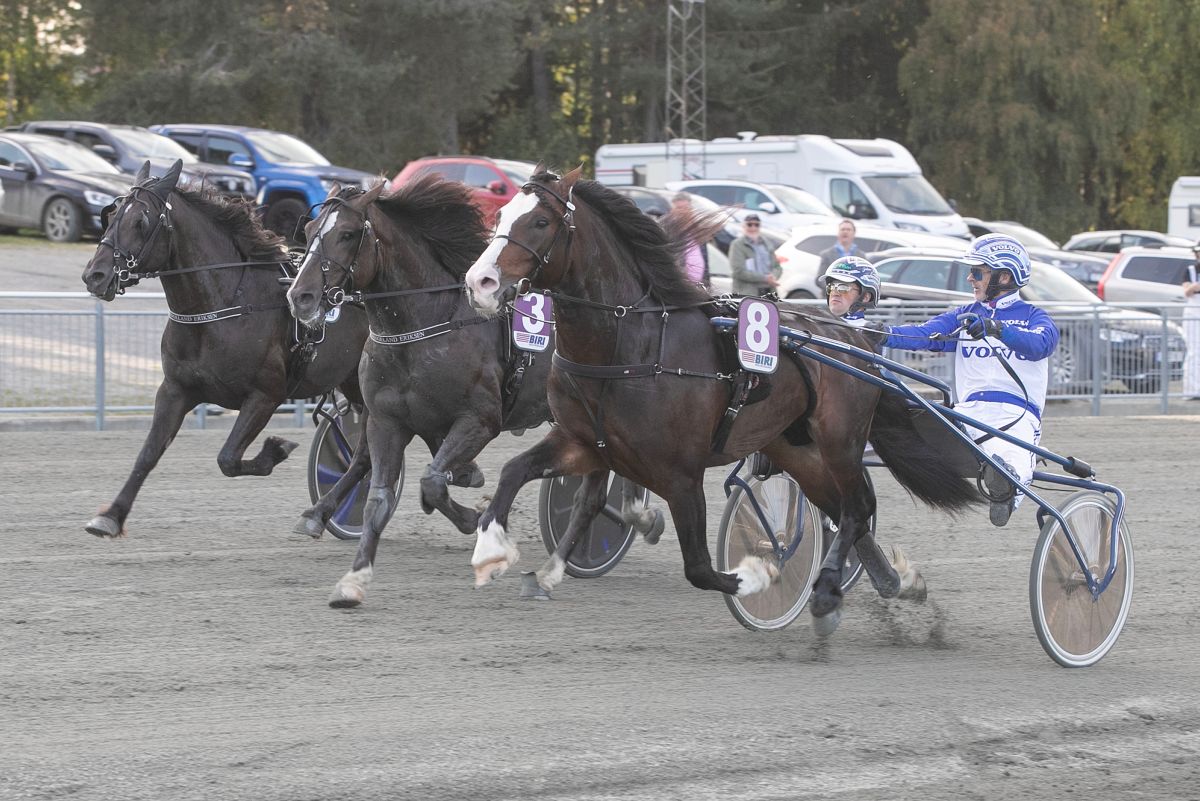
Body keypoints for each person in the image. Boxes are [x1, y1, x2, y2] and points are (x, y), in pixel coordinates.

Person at [881, 233, 1059, 527]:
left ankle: (1005, 489)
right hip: (968, 413)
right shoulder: (964, 315)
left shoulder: (1034, 317)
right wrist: (880, 334)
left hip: (1016, 416)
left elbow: (1041, 345)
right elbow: (925, 334)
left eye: (978, 272)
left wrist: (996, 329)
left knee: (1013, 466)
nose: (970, 278)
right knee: (910, 416)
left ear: (1003, 277)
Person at [729, 214, 780, 296]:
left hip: (769, 292)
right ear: (743, 226)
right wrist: (765, 278)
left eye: (756, 225)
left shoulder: (767, 243)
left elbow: (777, 267)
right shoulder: (737, 245)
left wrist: (773, 277)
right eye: (749, 224)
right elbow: (738, 271)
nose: (753, 228)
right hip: (747, 293)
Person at [820, 255, 879, 327]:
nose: (835, 293)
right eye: (831, 287)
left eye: (843, 288)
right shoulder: (816, 324)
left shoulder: (873, 332)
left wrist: (883, 335)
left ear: (865, 297)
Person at [671, 192, 708, 284]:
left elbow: (705, 258)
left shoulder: (697, 229)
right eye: (679, 208)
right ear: (672, 210)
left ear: (691, 209)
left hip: (700, 284)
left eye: (686, 208)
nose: (683, 211)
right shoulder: (669, 230)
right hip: (679, 283)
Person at [1182, 243, 1200, 400]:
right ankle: (1192, 390)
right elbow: (1187, 291)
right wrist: (1195, 286)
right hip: (1194, 314)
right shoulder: (1190, 271)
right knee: (1194, 351)